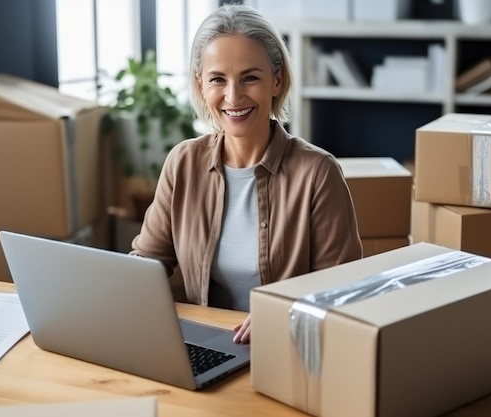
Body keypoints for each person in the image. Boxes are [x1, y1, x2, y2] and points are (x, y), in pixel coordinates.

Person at [130, 4, 362, 344]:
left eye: (250, 77)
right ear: (201, 84)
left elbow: (341, 289)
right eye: (218, 80)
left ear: (276, 80)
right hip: (207, 345)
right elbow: (147, 263)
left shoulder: (317, 173)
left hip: (289, 347)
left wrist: (285, 310)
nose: (233, 96)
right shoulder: (182, 163)